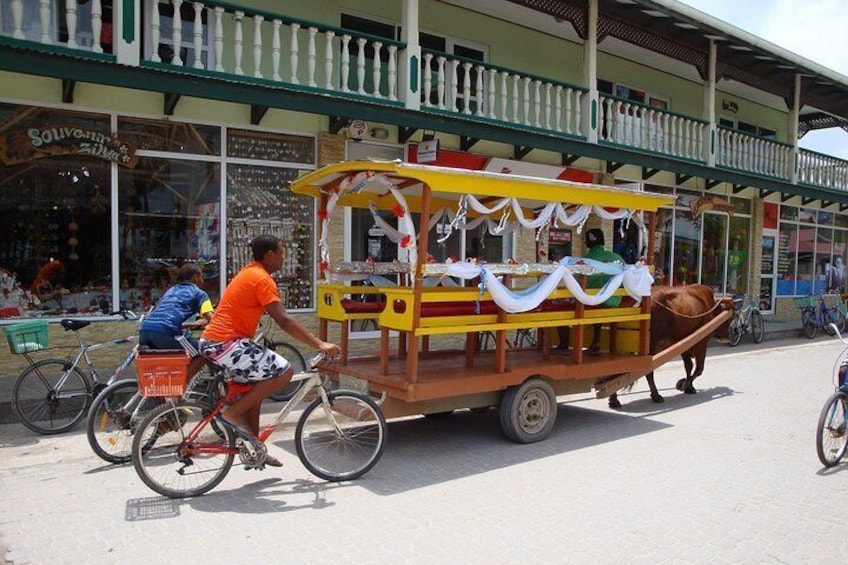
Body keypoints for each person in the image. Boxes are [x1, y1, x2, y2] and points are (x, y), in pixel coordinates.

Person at [199, 234, 340, 468]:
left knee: (257, 387)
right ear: (270, 255)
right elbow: (284, 320)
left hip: (219, 342)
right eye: (281, 253)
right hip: (225, 343)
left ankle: (255, 448)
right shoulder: (261, 278)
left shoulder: (250, 272)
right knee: (284, 372)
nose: (283, 258)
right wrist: (320, 344)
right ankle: (233, 414)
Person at [139, 263, 214, 377]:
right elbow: (211, 318)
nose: (202, 281)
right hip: (166, 332)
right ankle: (181, 387)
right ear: (194, 277)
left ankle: (161, 392)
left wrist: (188, 325)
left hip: (145, 330)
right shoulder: (200, 294)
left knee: (166, 361)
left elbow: (166, 314)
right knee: (202, 352)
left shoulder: (171, 291)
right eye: (201, 277)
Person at [584, 228, 624, 353]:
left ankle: (594, 341)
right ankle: (613, 345)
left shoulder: (584, 260)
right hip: (614, 300)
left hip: (594, 301)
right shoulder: (616, 257)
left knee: (579, 304)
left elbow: (576, 281)